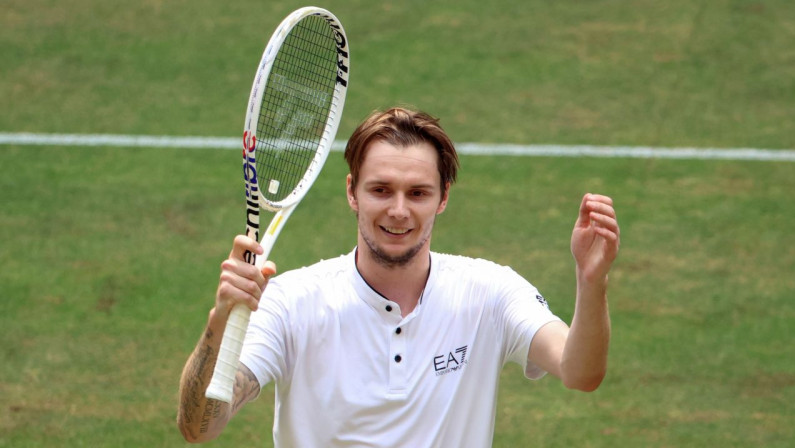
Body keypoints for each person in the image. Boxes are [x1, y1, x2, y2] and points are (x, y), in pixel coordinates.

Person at [177, 107, 620, 447]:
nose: (399, 210)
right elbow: (200, 426)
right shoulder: (292, 301)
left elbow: (580, 372)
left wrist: (590, 280)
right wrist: (220, 320)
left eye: (418, 193)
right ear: (352, 191)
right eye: (381, 189)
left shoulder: (491, 292)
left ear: (443, 198)